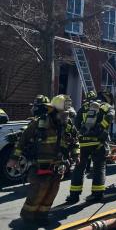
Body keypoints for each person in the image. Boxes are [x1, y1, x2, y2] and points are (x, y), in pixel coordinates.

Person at [7, 95, 79, 225]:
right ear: (54, 111)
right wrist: (14, 159)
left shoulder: (67, 124)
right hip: (40, 164)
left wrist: (76, 155)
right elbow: (23, 140)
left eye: (67, 114)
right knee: (39, 190)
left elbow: (74, 141)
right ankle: (28, 216)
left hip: (58, 164)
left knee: (52, 191)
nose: (66, 116)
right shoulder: (41, 122)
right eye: (63, 114)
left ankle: (42, 215)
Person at [66, 91, 114, 204]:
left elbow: (76, 123)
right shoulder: (106, 106)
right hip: (98, 143)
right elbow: (111, 115)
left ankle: (74, 195)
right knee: (99, 168)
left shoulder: (84, 107)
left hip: (83, 143)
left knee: (79, 168)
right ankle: (97, 194)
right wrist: (101, 127)